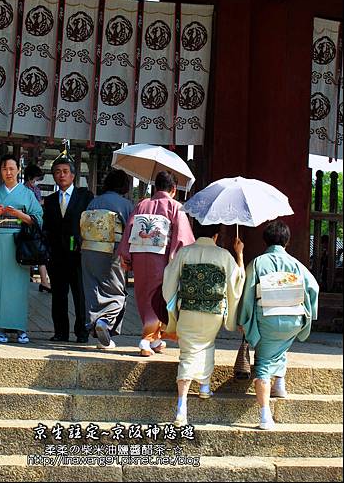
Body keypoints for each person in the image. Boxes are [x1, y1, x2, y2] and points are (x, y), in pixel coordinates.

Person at [238, 220, 319, 430]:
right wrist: (308, 313)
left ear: (265, 240)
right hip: (294, 317)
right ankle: (280, 385)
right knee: (281, 345)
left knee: (264, 360)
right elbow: (314, 288)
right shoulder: (296, 264)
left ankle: (265, 416)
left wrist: (244, 320)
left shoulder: (257, 263)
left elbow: (247, 294)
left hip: (268, 317)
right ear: (287, 241)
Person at [162, 222, 245, 426]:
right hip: (214, 313)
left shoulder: (185, 253)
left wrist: (172, 305)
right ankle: (205, 386)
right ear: (216, 236)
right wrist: (239, 254)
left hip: (188, 311)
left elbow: (169, 280)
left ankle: (182, 406)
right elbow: (238, 280)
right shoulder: (224, 255)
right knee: (207, 344)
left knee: (188, 353)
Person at [118, 171, 195, 357]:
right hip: (161, 260)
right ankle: (145, 340)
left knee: (146, 298)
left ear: (155, 187)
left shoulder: (142, 204)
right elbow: (183, 239)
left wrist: (126, 256)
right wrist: (180, 260)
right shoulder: (176, 207)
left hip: (140, 257)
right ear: (174, 189)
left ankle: (156, 339)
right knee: (159, 298)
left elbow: (129, 230)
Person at [0, 154, 43, 344]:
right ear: (1, 171)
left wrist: (19, 214)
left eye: (12, 169)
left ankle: (20, 328)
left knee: (18, 287)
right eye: (5, 169)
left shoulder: (27, 194)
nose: (8, 172)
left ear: (18, 170)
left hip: (19, 242)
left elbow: (37, 218)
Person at [81, 169, 134, 350]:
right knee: (116, 291)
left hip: (88, 250)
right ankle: (106, 321)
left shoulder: (94, 201)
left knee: (92, 289)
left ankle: (97, 326)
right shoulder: (126, 205)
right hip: (112, 251)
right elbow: (130, 232)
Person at [43, 156, 94, 343]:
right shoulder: (49, 201)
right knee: (58, 296)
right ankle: (60, 332)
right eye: (57, 172)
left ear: (73, 175)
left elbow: (90, 222)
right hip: (56, 255)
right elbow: (46, 228)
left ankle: (82, 332)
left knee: (80, 295)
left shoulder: (85, 196)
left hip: (79, 254)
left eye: (65, 171)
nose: (61, 175)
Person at [24, 163, 51, 293]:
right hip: (29, 223)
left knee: (37, 251)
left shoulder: (35, 189)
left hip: (37, 223)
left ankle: (43, 281)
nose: (36, 181)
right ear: (29, 177)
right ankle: (44, 282)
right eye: (35, 178)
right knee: (38, 252)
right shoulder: (25, 190)